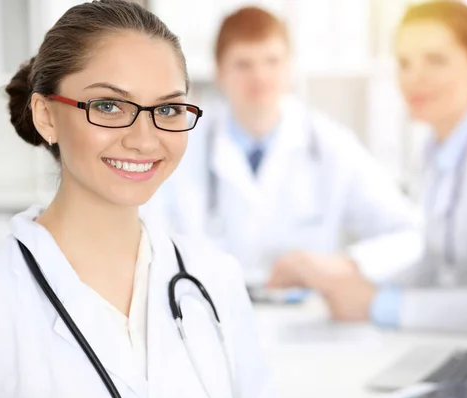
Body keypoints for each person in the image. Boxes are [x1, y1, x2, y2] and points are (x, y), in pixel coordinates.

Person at [0, 1, 277, 398]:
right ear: (46, 116)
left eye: (167, 108)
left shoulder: (216, 281)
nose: (144, 139)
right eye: (109, 106)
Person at [278, 0, 467, 333]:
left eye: (436, 60)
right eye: (404, 63)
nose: (415, 77)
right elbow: (436, 263)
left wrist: (377, 304)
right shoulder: (437, 149)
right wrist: (355, 280)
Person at [142, 6, 422, 293]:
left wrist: (345, 265)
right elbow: (144, 238)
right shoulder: (179, 140)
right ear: (219, 72)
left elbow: (410, 234)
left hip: (304, 326)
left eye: (272, 61)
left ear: (289, 67)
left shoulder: (329, 145)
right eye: (243, 64)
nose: (260, 76)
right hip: (201, 314)